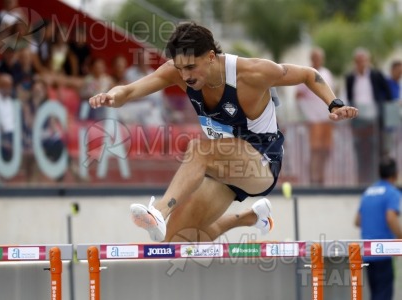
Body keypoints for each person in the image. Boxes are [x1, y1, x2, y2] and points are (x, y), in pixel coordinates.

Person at [89, 22, 358, 242]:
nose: (185, 76)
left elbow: (309, 74)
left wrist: (334, 104)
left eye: (191, 67)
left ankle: (158, 211)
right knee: (179, 239)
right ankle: (252, 217)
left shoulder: (252, 73)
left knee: (199, 149)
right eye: (180, 68)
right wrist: (112, 96)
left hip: (260, 163)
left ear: (210, 57)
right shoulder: (178, 71)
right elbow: (132, 90)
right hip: (224, 168)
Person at [355, 157, 402, 300]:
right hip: (383, 252)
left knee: (375, 293)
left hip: (367, 252)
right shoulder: (392, 192)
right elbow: (391, 217)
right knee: (383, 295)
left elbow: (357, 221)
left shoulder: (368, 192)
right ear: (395, 174)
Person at [345, 48, 392, 184]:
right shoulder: (350, 77)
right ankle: (361, 180)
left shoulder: (376, 75)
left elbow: (387, 93)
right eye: (358, 61)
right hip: (358, 120)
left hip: (374, 119)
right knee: (360, 151)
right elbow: (349, 96)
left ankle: (376, 179)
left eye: (363, 61)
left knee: (376, 150)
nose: (361, 64)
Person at [296, 47, 334, 186]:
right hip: (314, 119)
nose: (317, 60)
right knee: (315, 150)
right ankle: (314, 179)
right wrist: (306, 115)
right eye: (315, 58)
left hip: (326, 118)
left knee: (325, 150)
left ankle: (322, 178)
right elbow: (299, 97)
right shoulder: (307, 73)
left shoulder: (327, 74)